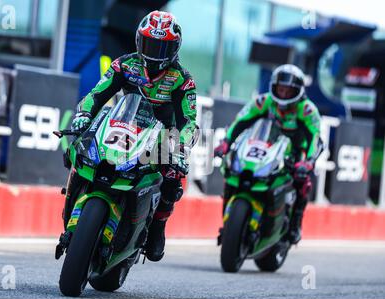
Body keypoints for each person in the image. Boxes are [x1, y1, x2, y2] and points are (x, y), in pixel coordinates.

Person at [64, 11, 198, 262]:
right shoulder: (124, 64)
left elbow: (188, 122)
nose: (154, 52)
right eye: (150, 44)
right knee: (78, 148)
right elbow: (97, 94)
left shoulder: (182, 80)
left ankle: (157, 227)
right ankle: (73, 198)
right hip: (122, 123)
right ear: (138, 41)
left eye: (162, 47)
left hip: (161, 136)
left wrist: (180, 149)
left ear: (174, 49)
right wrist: (83, 114)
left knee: (173, 177)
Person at [214, 64, 323, 245]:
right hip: (265, 147)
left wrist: (309, 161)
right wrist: (226, 142)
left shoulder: (307, 110)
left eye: (289, 91)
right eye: (280, 89)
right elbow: (241, 121)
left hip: (296, 153)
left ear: (298, 91)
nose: (284, 94)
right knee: (233, 173)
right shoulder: (264, 101)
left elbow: (316, 138)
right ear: (273, 88)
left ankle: (295, 224)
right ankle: (228, 224)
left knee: (304, 182)